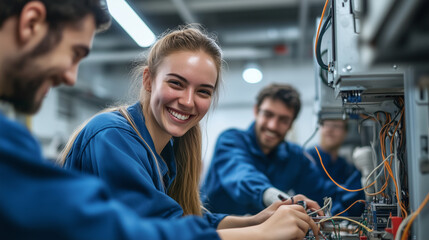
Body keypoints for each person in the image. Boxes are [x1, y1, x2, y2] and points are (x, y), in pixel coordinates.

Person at [0, 1, 315, 239]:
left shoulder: (168, 150)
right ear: (148, 80)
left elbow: (179, 220)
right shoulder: (112, 135)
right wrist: (259, 234)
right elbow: (135, 232)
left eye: (203, 91)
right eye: (176, 83)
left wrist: (261, 218)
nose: (188, 101)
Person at [201, 83, 364, 217]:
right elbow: (242, 176)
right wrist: (273, 196)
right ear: (256, 111)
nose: (272, 126)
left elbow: (326, 195)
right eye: (268, 114)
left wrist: (365, 181)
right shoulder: (231, 140)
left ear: (291, 124)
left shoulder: (294, 157)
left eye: (283, 120)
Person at [306, 119, 364, 215]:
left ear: (345, 133)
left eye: (336, 126)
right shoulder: (307, 159)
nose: (329, 130)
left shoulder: (346, 167)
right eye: (325, 124)